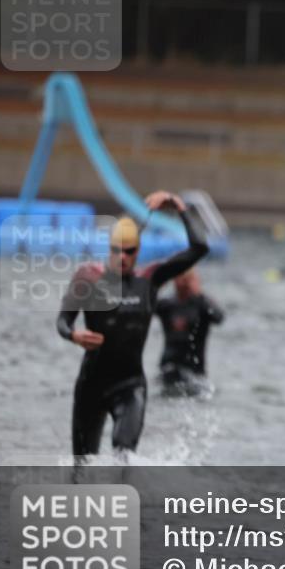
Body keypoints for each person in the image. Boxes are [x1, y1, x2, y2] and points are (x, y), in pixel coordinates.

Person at [57, 192, 208, 458]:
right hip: (91, 387)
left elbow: (199, 248)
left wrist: (179, 206)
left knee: (124, 457)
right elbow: (62, 321)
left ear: (138, 251)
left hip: (129, 386)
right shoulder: (88, 278)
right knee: (82, 466)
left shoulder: (150, 279)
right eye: (116, 250)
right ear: (109, 248)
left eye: (129, 251)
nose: (122, 257)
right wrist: (73, 335)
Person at [155, 267, 224, 397]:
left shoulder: (201, 305)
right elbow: (143, 308)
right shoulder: (167, 305)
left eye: (187, 279)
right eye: (180, 278)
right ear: (174, 280)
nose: (183, 282)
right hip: (169, 367)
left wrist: (200, 294)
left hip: (195, 371)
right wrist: (156, 284)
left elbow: (219, 317)